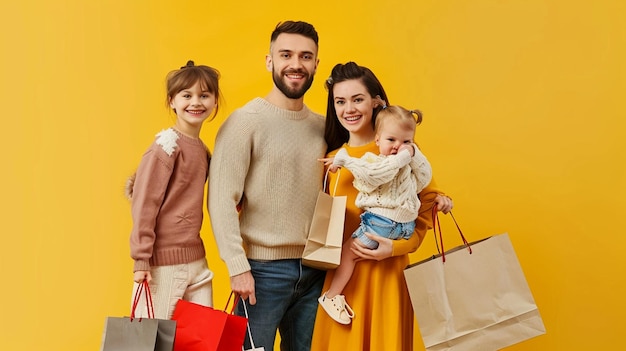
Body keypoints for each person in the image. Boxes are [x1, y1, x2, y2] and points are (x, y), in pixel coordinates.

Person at [310, 62, 453, 350]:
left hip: (388, 278)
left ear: (377, 102)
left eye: (358, 99)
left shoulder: (403, 152)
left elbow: (424, 216)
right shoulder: (332, 158)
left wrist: (395, 248)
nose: (349, 109)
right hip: (342, 284)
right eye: (340, 101)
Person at [208, 21, 326, 350]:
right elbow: (220, 199)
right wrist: (236, 266)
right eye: (286, 54)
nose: (296, 64)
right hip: (261, 273)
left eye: (306, 56)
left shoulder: (323, 127)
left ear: (317, 64)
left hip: (317, 270)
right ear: (269, 60)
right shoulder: (245, 122)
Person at [317, 104, 433, 325]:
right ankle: (333, 296)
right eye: (392, 141)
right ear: (377, 140)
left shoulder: (400, 164)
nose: (399, 147)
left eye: (406, 142)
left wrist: (414, 154)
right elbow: (375, 174)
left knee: (347, 253)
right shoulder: (375, 162)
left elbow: (425, 178)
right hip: (392, 226)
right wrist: (347, 160)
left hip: (389, 226)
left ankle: (330, 296)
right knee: (351, 254)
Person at [126, 60, 221, 319]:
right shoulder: (166, 145)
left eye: (204, 95)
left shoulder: (202, 150)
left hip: (197, 260)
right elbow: (144, 202)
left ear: (214, 101)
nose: (196, 102)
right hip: (163, 264)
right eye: (186, 95)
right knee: (149, 342)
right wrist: (141, 259)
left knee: (202, 341)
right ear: (172, 101)